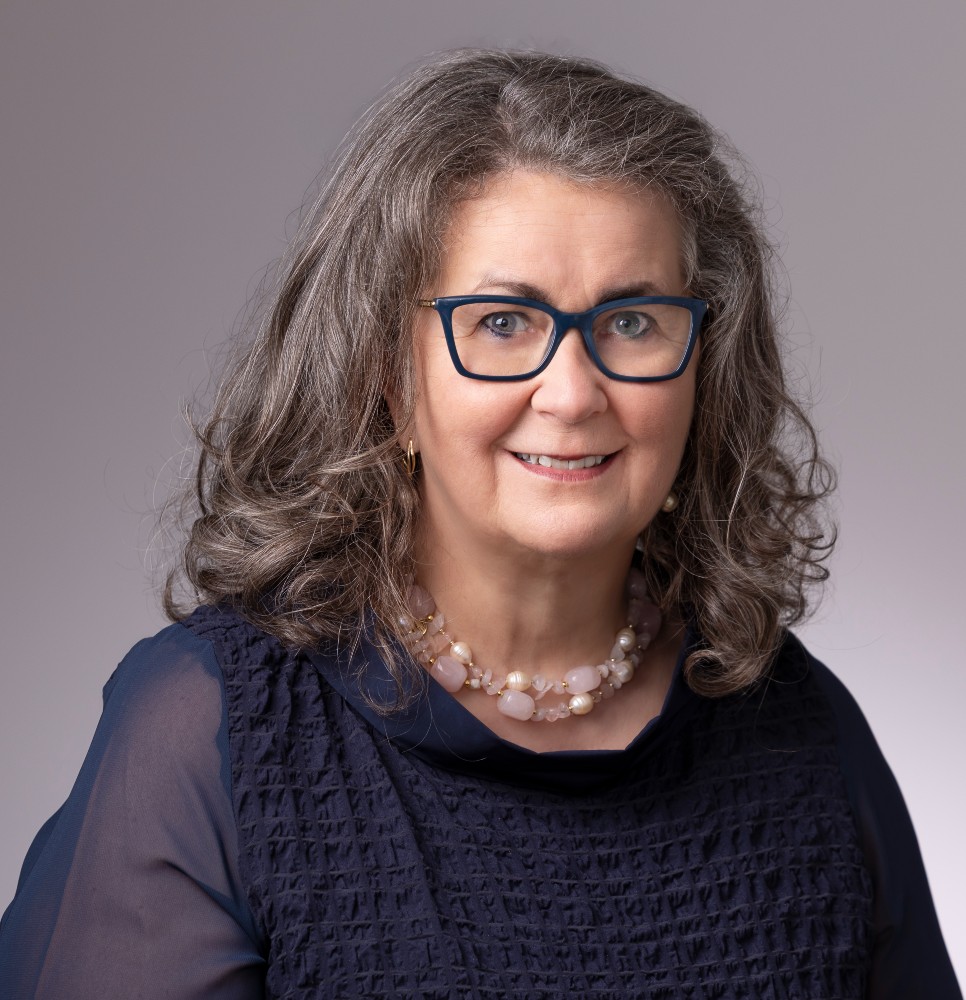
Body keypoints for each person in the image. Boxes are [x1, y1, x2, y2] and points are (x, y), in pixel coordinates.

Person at [0, 48, 960, 999]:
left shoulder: (803, 728)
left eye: (633, 322)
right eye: (503, 323)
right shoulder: (211, 728)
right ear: (387, 372)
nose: (572, 394)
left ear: (703, 369)